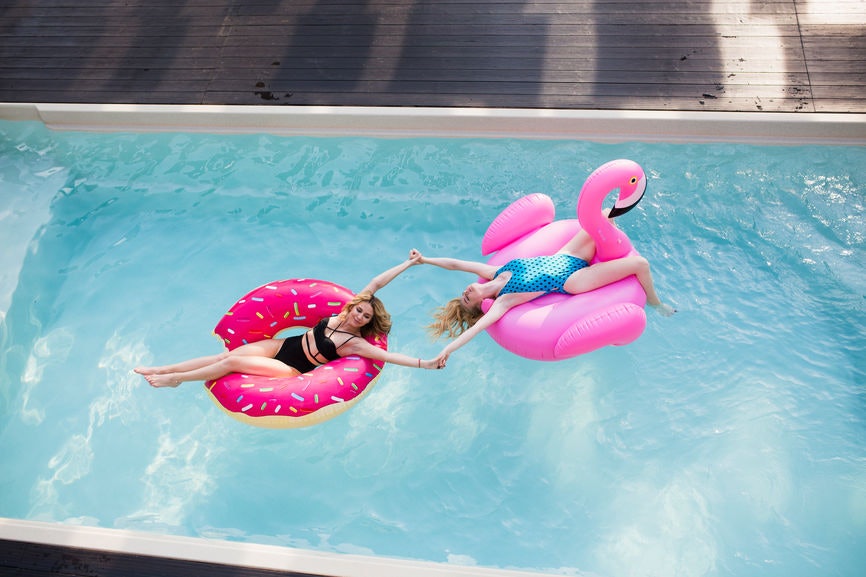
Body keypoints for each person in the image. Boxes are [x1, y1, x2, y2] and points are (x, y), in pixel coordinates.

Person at [413, 212, 676, 369]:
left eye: (463, 293)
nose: (466, 293)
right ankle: (655, 303)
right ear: (481, 303)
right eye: (467, 300)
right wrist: (447, 351)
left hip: (568, 253)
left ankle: (618, 247)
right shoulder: (505, 301)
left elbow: (455, 264)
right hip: (573, 279)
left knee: (606, 213)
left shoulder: (494, 272)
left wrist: (425, 260)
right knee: (640, 264)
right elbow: (475, 330)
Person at [135, 252, 439, 387]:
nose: (360, 314)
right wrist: (408, 263)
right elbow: (376, 283)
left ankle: (176, 380)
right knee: (223, 355)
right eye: (361, 309)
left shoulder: (354, 344)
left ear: (368, 322)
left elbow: (389, 356)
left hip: (289, 368)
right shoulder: (344, 310)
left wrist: (427, 363)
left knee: (228, 365)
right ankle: (164, 368)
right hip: (278, 347)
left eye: (366, 316)